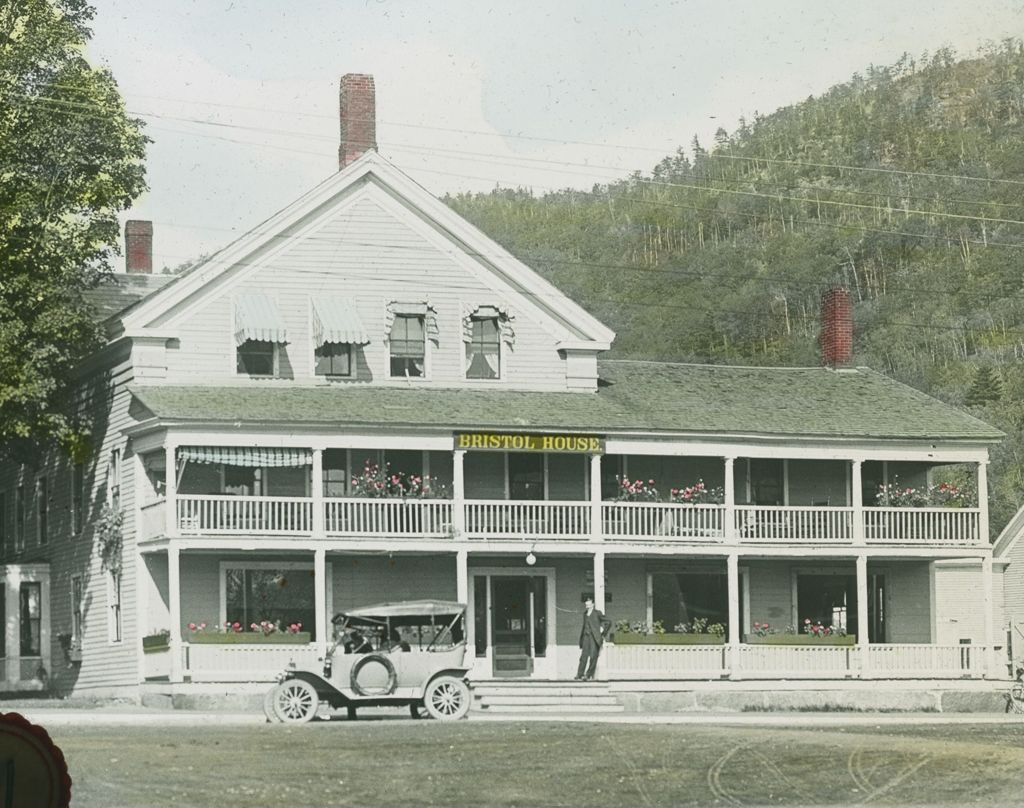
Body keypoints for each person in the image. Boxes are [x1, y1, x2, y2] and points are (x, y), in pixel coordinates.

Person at [575, 595, 611, 681]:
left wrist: (603, 633)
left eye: (588, 602)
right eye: (586, 602)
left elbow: (608, 622)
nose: (586, 603)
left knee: (593, 656)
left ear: (592, 604)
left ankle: (588, 674)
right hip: (586, 637)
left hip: (594, 638)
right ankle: (580, 674)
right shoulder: (585, 614)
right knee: (583, 656)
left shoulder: (597, 613)